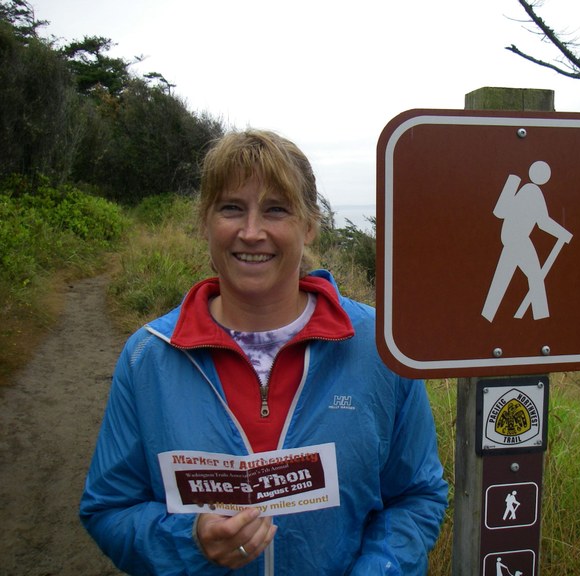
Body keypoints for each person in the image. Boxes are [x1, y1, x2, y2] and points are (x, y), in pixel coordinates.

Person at [80, 130, 448, 575]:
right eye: (231, 208)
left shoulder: (380, 346)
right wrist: (190, 539)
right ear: (205, 221)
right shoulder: (148, 357)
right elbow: (109, 509)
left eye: (276, 209)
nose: (251, 232)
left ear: (310, 225)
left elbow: (416, 495)